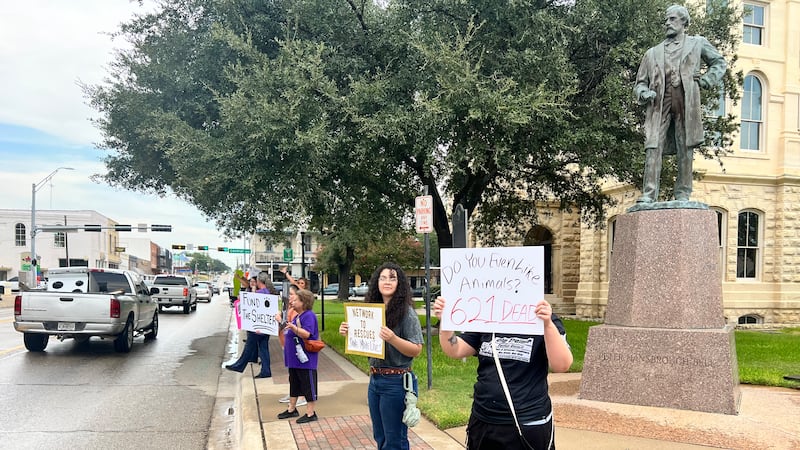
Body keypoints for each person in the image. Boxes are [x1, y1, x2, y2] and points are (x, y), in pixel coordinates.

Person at [433, 296, 572, 450]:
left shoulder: (544, 319)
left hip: (527, 423)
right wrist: (445, 323)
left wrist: (547, 324)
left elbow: (562, 365)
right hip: (484, 420)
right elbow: (455, 349)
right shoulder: (486, 317)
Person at [634, 4, 727, 203]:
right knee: (653, 146)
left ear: (684, 22)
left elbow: (719, 63)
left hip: (686, 102)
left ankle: (683, 192)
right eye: (666, 20)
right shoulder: (652, 53)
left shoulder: (697, 43)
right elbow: (639, 83)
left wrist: (705, 80)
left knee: (685, 146)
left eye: (672, 19)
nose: (667, 23)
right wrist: (645, 92)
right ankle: (649, 194)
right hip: (660, 104)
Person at [338, 262, 423, 450]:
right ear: (376, 282)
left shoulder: (406, 313)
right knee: (380, 436)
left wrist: (392, 338)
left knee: (395, 440)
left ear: (399, 283)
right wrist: (348, 331)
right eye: (383, 278)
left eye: (392, 278)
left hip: (396, 381)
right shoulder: (371, 310)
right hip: (375, 379)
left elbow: (416, 349)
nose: (387, 282)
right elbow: (364, 338)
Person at [275, 288, 319, 423]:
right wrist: (280, 321)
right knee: (294, 383)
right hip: (295, 359)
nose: (293, 301)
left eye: (297, 300)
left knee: (308, 384)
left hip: (305, 359)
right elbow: (288, 329)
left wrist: (294, 328)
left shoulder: (309, 316)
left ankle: (311, 413)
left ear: (304, 302)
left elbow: (307, 333)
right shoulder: (297, 316)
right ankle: (291, 408)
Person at [225, 272, 274, 378]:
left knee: (249, 347)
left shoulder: (259, 293)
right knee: (263, 348)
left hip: (256, 326)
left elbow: (251, 303)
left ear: (259, 282)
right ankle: (266, 370)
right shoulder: (267, 292)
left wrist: (252, 291)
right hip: (265, 326)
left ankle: (239, 365)